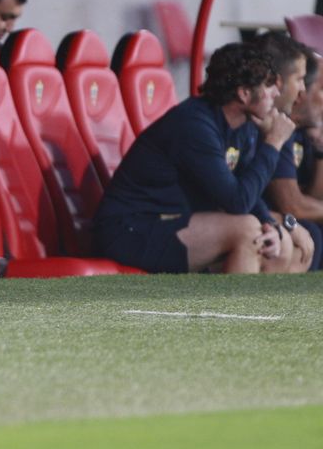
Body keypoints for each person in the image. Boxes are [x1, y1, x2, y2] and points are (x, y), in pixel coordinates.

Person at [95, 42, 308, 274]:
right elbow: (237, 202)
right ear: (244, 94)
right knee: (248, 231)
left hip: (174, 223)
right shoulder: (194, 125)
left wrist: (269, 222)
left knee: (279, 243)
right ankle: (234, 311)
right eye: (269, 86)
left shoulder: (244, 126)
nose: (277, 93)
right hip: (131, 228)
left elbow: (247, 188)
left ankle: (258, 310)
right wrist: (273, 143)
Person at [256, 32, 323, 269]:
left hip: (263, 217)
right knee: (306, 234)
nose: (302, 90)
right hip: (249, 221)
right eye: (300, 80)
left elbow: (313, 198)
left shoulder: (301, 130)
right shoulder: (275, 126)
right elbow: (293, 206)